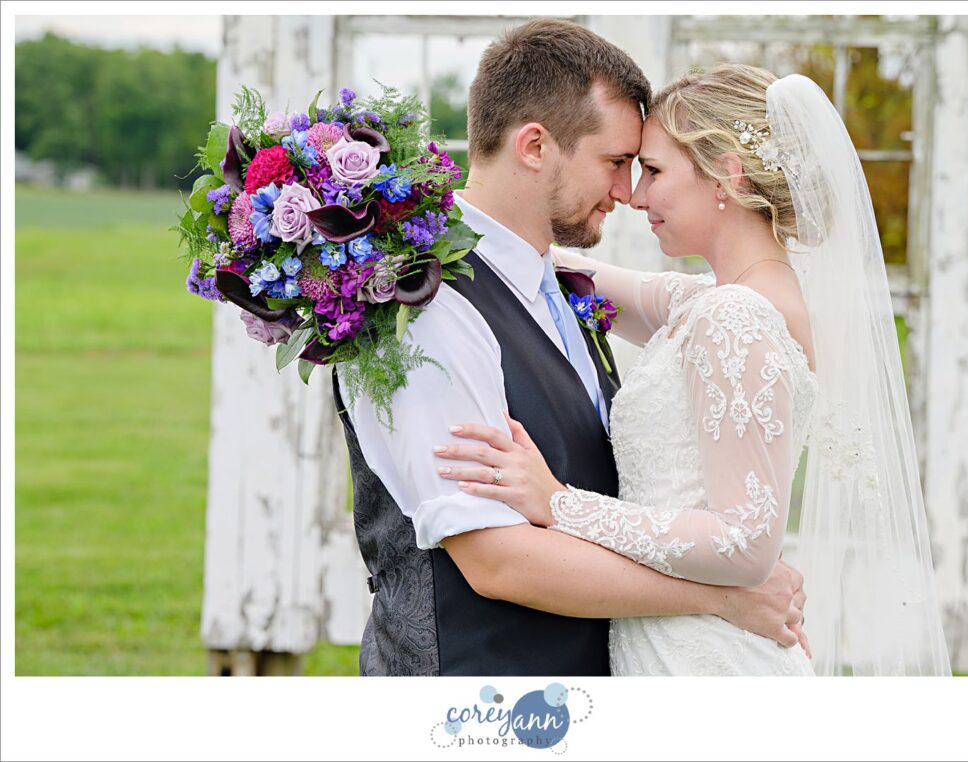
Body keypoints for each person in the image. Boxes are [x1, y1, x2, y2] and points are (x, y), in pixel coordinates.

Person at [437, 63, 952, 675]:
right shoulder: (723, 302)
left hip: (703, 662)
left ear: (726, 175)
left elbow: (746, 544)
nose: (635, 194)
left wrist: (559, 503)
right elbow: (549, 267)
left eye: (652, 170)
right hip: (672, 641)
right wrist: (398, 217)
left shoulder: (733, 317)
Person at [333, 21, 809, 676]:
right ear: (534, 146)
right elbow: (497, 558)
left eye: (645, 168)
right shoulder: (424, 303)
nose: (628, 193)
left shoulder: (568, 286)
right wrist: (725, 598)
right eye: (617, 162)